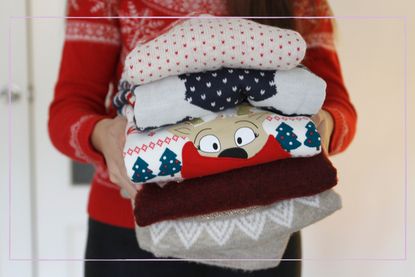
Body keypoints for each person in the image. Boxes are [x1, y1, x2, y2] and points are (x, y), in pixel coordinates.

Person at [48, 0, 357, 276]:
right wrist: (104, 136)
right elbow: (68, 108)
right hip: (132, 233)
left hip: (267, 226)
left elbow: (335, 104)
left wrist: (318, 129)